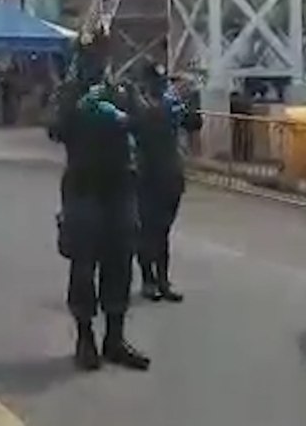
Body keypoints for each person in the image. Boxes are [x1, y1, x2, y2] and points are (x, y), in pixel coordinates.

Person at [48, 27, 150, 372]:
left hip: (119, 185)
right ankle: (85, 338)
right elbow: (55, 129)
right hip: (83, 186)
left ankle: (115, 338)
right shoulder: (69, 91)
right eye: (90, 55)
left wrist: (125, 114)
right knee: (83, 265)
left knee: (120, 262)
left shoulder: (122, 90)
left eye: (101, 54)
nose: (97, 61)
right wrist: (80, 107)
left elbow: (146, 124)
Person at [132, 61, 202, 302]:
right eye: (155, 82)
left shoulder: (171, 105)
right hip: (144, 176)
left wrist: (190, 101)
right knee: (146, 231)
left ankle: (162, 280)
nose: (158, 87)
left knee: (161, 231)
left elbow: (194, 123)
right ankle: (149, 279)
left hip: (169, 176)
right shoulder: (135, 107)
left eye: (162, 82)